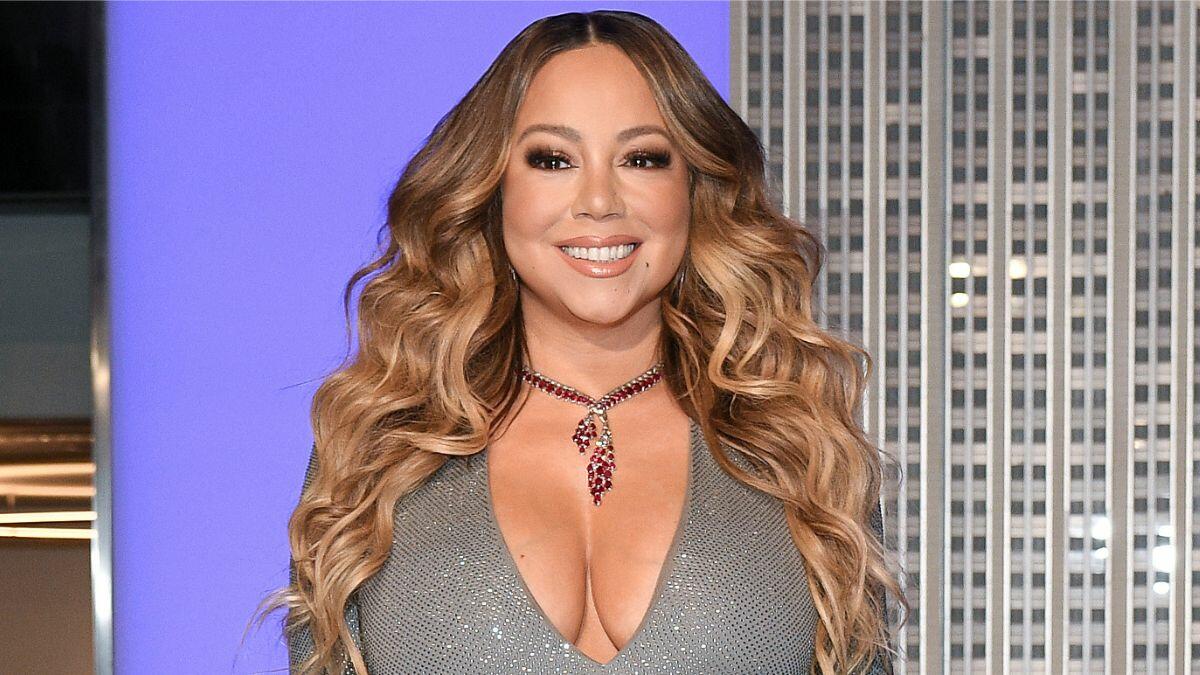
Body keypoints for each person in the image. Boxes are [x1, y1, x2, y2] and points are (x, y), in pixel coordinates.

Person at [251, 9, 906, 674]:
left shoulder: (798, 450)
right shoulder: (384, 449)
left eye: (641, 158)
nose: (599, 200)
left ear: (695, 186)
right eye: (553, 159)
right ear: (493, 187)